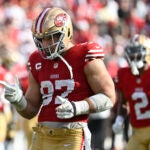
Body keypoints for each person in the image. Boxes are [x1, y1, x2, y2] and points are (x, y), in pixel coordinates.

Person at [0, 7, 116, 150]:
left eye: (50, 37)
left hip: (72, 135)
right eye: (41, 39)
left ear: (66, 32)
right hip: (42, 134)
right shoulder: (37, 60)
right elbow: (30, 111)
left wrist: (78, 107)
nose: (45, 44)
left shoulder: (84, 54)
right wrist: (18, 100)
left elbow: (109, 96)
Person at [112, 34, 150, 150]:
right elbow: (124, 102)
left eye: (137, 52)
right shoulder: (124, 74)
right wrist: (119, 118)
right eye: (132, 52)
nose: (134, 56)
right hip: (136, 132)